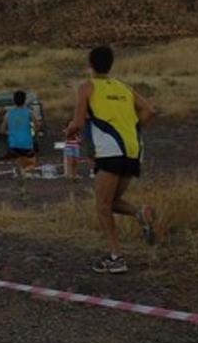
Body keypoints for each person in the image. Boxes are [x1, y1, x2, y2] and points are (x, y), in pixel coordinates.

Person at [64, 45, 157, 274]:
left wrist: (68, 132)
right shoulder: (124, 88)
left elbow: (77, 123)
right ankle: (139, 213)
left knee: (102, 207)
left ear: (90, 64)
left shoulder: (86, 87)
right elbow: (150, 111)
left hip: (109, 150)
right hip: (133, 150)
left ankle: (117, 257)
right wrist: (133, 129)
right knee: (112, 201)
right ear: (111, 64)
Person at [1, 90, 38, 193]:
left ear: (14, 100)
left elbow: (2, 130)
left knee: (19, 164)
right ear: (25, 100)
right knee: (32, 163)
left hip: (13, 144)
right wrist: (33, 133)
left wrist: (11, 134)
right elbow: (37, 125)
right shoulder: (29, 112)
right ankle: (24, 174)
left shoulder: (8, 114)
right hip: (26, 143)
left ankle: (22, 189)